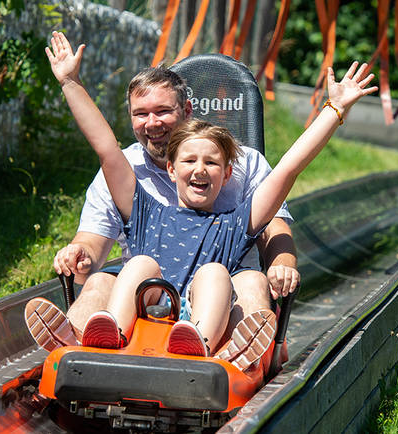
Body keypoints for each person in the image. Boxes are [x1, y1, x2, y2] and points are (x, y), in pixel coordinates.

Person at [26, 31, 377, 367]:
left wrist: (334, 109)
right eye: (190, 162)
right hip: (147, 307)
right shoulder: (146, 210)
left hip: (204, 316)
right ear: (170, 168)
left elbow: (288, 169)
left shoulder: (235, 223)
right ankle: (103, 335)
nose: (199, 171)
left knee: (215, 273)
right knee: (137, 265)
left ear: (226, 175)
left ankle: (208, 348)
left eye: (211, 163)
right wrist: (70, 83)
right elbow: (105, 147)